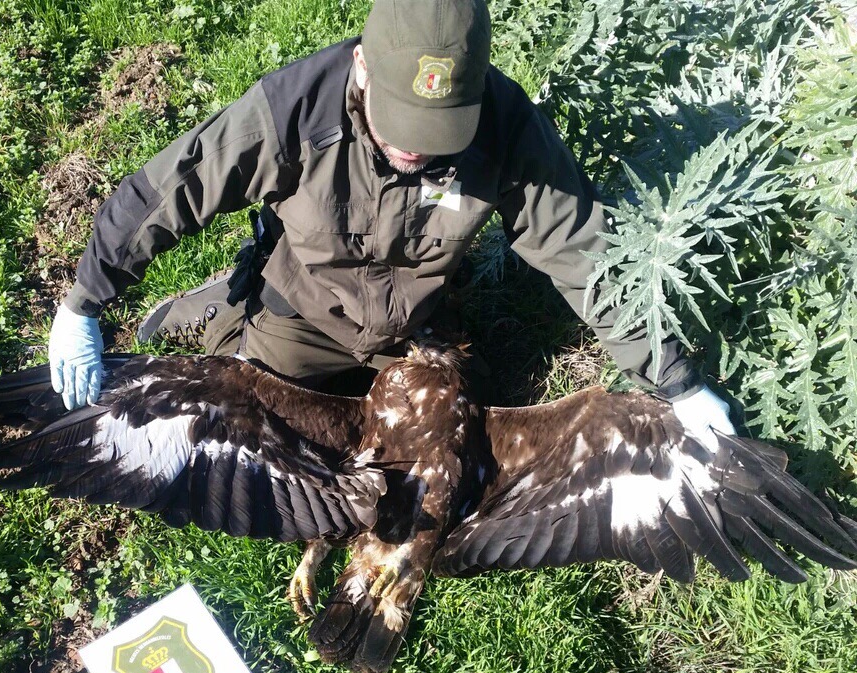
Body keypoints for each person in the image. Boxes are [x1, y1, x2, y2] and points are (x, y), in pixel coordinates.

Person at [47, 0, 734, 450]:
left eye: (437, 130)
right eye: (402, 119)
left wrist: (678, 382)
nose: (415, 147)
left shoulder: (503, 125)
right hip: (307, 313)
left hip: (416, 327)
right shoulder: (293, 111)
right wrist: (82, 305)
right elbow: (169, 191)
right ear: (362, 65)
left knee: (449, 465)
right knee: (246, 440)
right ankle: (226, 301)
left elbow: (582, 250)